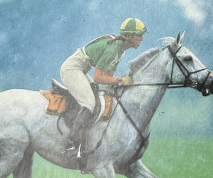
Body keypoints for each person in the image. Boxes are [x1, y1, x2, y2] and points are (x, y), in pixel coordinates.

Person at [59, 17, 147, 158]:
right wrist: (120, 80)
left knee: (97, 98)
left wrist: (120, 83)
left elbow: (108, 76)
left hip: (82, 69)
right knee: (89, 103)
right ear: (129, 36)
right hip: (72, 69)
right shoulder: (113, 48)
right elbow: (98, 78)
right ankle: (71, 145)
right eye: (139, 35)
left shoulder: (120, 51)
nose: (141, 39)